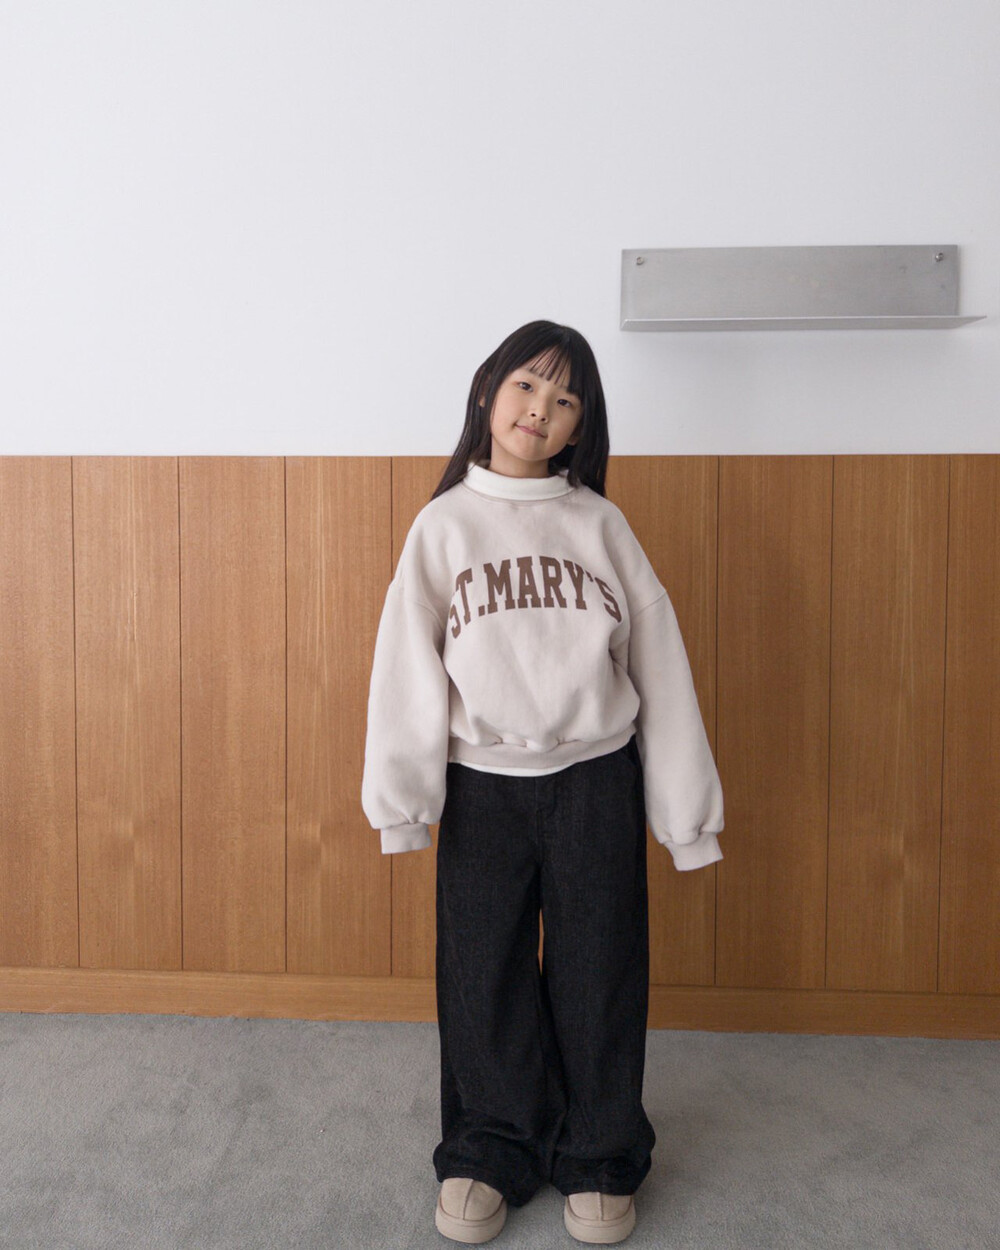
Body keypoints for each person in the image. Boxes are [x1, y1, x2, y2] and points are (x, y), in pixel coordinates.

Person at [361, 320, 724, 1245]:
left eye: (566, 400)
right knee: (482, 973)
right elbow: (405, 670)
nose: (541, 409)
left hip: (595, 781)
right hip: (482, 787)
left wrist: (687, 818)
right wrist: (403, 805)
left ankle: (599, 1156)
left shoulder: (601, 525)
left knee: (601, 969)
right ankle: (490, 1147)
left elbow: (661, 666)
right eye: (528, 385)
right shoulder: (444, 525)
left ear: (580, 427)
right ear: (490, 389)